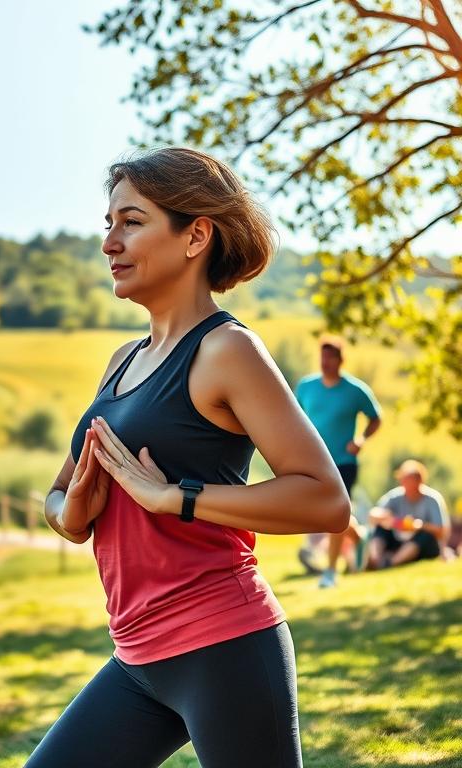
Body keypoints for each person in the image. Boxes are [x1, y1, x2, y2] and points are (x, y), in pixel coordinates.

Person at [25, 147, 350, 768]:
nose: (109, 243)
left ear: (195, 236)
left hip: (224, 645)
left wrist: (175, 498)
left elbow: (325, 499)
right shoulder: (122, 361)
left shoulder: (226, 351)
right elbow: (58, 498)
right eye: (108, 224)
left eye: (132, 222)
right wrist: (74, 513)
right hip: (136, 658)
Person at [295, 335, 382, 588]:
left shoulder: (355, 390)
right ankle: (359, 537)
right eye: (322, 357)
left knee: (335, 513)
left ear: (340, 360)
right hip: (313, 461)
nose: (325, 362)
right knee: (323, 514)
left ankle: (330, 572)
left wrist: (361, 439)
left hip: (344, 462)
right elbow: (294, 418)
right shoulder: (306, 386)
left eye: (330, 358)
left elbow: (375, 418)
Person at [367, 459, 450, 569]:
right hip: (398, 539)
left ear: (420, 481)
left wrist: (419, 526)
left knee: (424, 536)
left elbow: (441, 530)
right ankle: (375, 560)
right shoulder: (395, 496)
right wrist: (390, 519)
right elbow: (373, 514)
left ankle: (391, 563)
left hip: (423, 545)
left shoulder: (432, 499)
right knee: (381, 529)